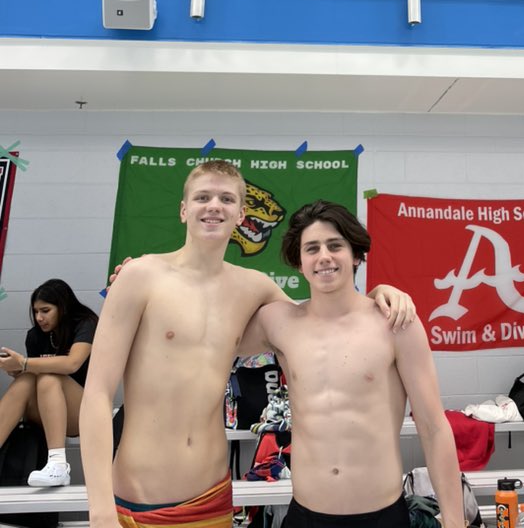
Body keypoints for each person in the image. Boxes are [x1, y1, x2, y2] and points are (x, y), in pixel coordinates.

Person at [80, 160, 413, 528]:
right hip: (139, 498)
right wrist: (99, 510)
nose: (213, 206)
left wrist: (381, 293)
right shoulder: (140, 276)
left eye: (225, 198)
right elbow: (96, 394)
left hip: (212, 496)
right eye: (202, 196)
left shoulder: (253, 287)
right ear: (183, 209)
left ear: (241, 215)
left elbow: (324, 320)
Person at [240, 200, 464, 528]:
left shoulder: (395, 322)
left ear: (356, 255)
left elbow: (433, 427)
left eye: (335, 246)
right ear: (299, 262)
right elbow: (210, 333)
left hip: (382, 517)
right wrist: (142, 281)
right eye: (312, 248)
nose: (324, 257)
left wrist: (455, 522)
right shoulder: (280, 323)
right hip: (306, 517)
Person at [0, 278, 98, 487]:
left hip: (85, 411)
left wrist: (25, 363)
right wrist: (18, 369)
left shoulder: (85, 324)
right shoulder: (35, 336)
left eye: (45, 310)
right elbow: (31, 377)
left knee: (48, 376)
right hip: (47, 414)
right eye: (36, 312)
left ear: (62, 307)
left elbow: (73, 363)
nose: (39, 318)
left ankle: (58, 464)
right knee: (28, 379)